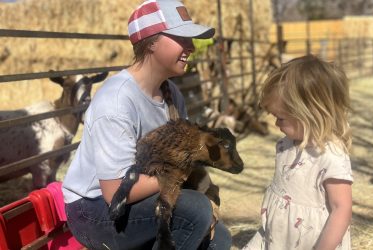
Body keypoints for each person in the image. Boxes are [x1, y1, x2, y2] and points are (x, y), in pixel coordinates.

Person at [62, 0, 232, 249]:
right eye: (182, 39)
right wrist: (183, 171)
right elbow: (116, 192)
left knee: (220, 239)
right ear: (151, 42)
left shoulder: (171, 94)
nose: (192, 47)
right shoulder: (116, 102)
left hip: (141, 196)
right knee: (195, 211)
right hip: (94, 209)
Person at [243, 55, 353, 250]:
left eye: (281, 118)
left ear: (309, 114)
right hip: (276, 236)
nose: (276, 124)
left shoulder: (330, 156)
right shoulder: (287, 144)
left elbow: (341, 209)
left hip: (310, 241)